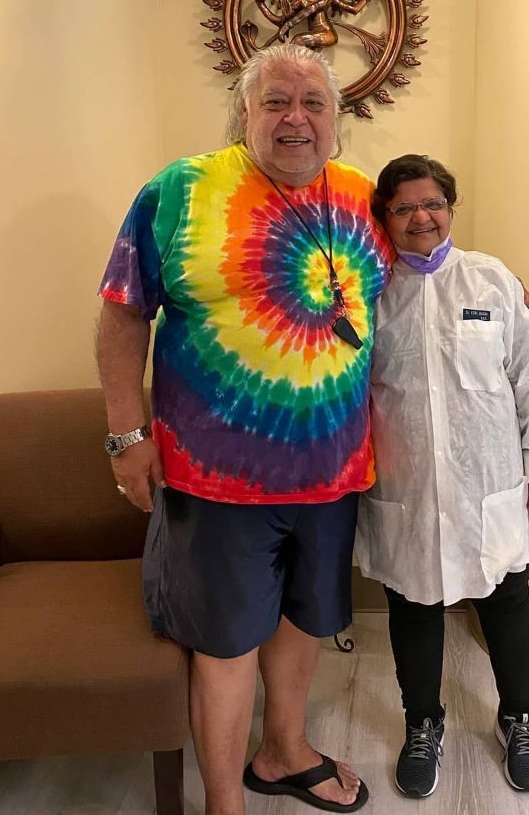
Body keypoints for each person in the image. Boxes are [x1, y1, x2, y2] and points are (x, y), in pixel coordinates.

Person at [96, 45, 393, 815]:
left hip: (334, 471)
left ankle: (283, 750)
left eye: (313, 103)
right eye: (276, 102)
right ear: (245, 114)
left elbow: (425, 272)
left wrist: (500, 285)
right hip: (215, 480)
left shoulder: (365, 196)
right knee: (225, 645)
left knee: (303, 623)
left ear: (337, 118)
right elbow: (123, 315)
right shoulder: (180, 191)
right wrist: (128, 438)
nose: (296, 118)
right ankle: (224, 804)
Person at [355, 154, 529, 798]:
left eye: (433, 203)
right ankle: (422, 723)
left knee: (506, 603)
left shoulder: (491, 281)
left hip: (491, 485)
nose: (422, 216)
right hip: (405, 488)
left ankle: (519, 717)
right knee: (413, 606)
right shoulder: (371, 291)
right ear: (385, 219)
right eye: (404, 207)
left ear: (450, 208)